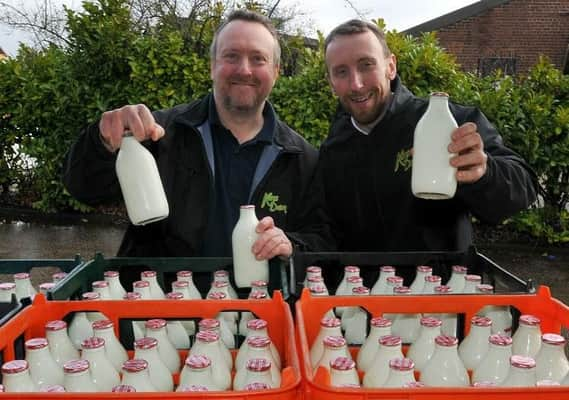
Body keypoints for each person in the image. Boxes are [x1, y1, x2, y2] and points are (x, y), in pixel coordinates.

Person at [63, 10, 317, 261]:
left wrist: (292, 245)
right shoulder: (158, 133)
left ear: (276, 71)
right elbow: (83, 189)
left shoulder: (301, 158)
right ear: (212, 66)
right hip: (162, 297)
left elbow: (321, 238)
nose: (244, 69)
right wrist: (102, 141)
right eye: (231, 56)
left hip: (259, 301)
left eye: (258, 59)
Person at [293, 19, 538, 253]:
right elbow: (324, 232)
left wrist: (485, 173)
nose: (356, 84)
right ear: (331, 82)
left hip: (441, 291)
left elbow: (523, 188)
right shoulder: (332, 150)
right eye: (341, 72)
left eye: (366, 65)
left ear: (390, 66)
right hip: (360, 294)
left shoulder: (449, 123)